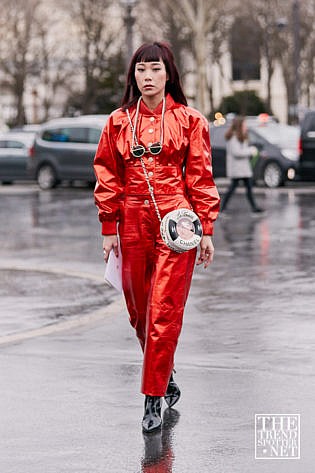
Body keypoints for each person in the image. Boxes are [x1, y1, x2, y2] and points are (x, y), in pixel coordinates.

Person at [93, 41, 220, 433]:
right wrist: (108, 229)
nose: (147, 77)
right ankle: (164, 372)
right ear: (133, 76)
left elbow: (200, 176)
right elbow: (107, 176)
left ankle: (152, 398)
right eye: (141, 70)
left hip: (177, 221)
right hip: (131, 219)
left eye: (155, 69)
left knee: (164, 310)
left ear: (169, 74)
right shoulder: (117, 121)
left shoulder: (189, 120)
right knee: (138, 311)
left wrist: (206, 231)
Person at [220, 116, 264, 213]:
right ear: (239, 125)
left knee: (248, 188)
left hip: (243, 169)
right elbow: (237, 152)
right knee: (232, 189)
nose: (246, 127)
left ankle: (254, 208)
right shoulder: (233, 138)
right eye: (244, 125)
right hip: (237, 169)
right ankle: (222, 208)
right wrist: (251, 151)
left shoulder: (242, 137)